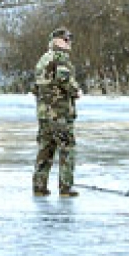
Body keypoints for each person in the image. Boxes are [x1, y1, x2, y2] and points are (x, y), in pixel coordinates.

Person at [32, 27, 81, 197]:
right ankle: (66, 187)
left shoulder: (43, 59)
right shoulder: (60, 58)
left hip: (44, 113)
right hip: (59, 113)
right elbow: (64, 79)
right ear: (57, 41)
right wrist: (76, 91)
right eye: (66, 39)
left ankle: (39, 186)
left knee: (45, 149)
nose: (69, 43)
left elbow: (35, 87)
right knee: (67, 148)